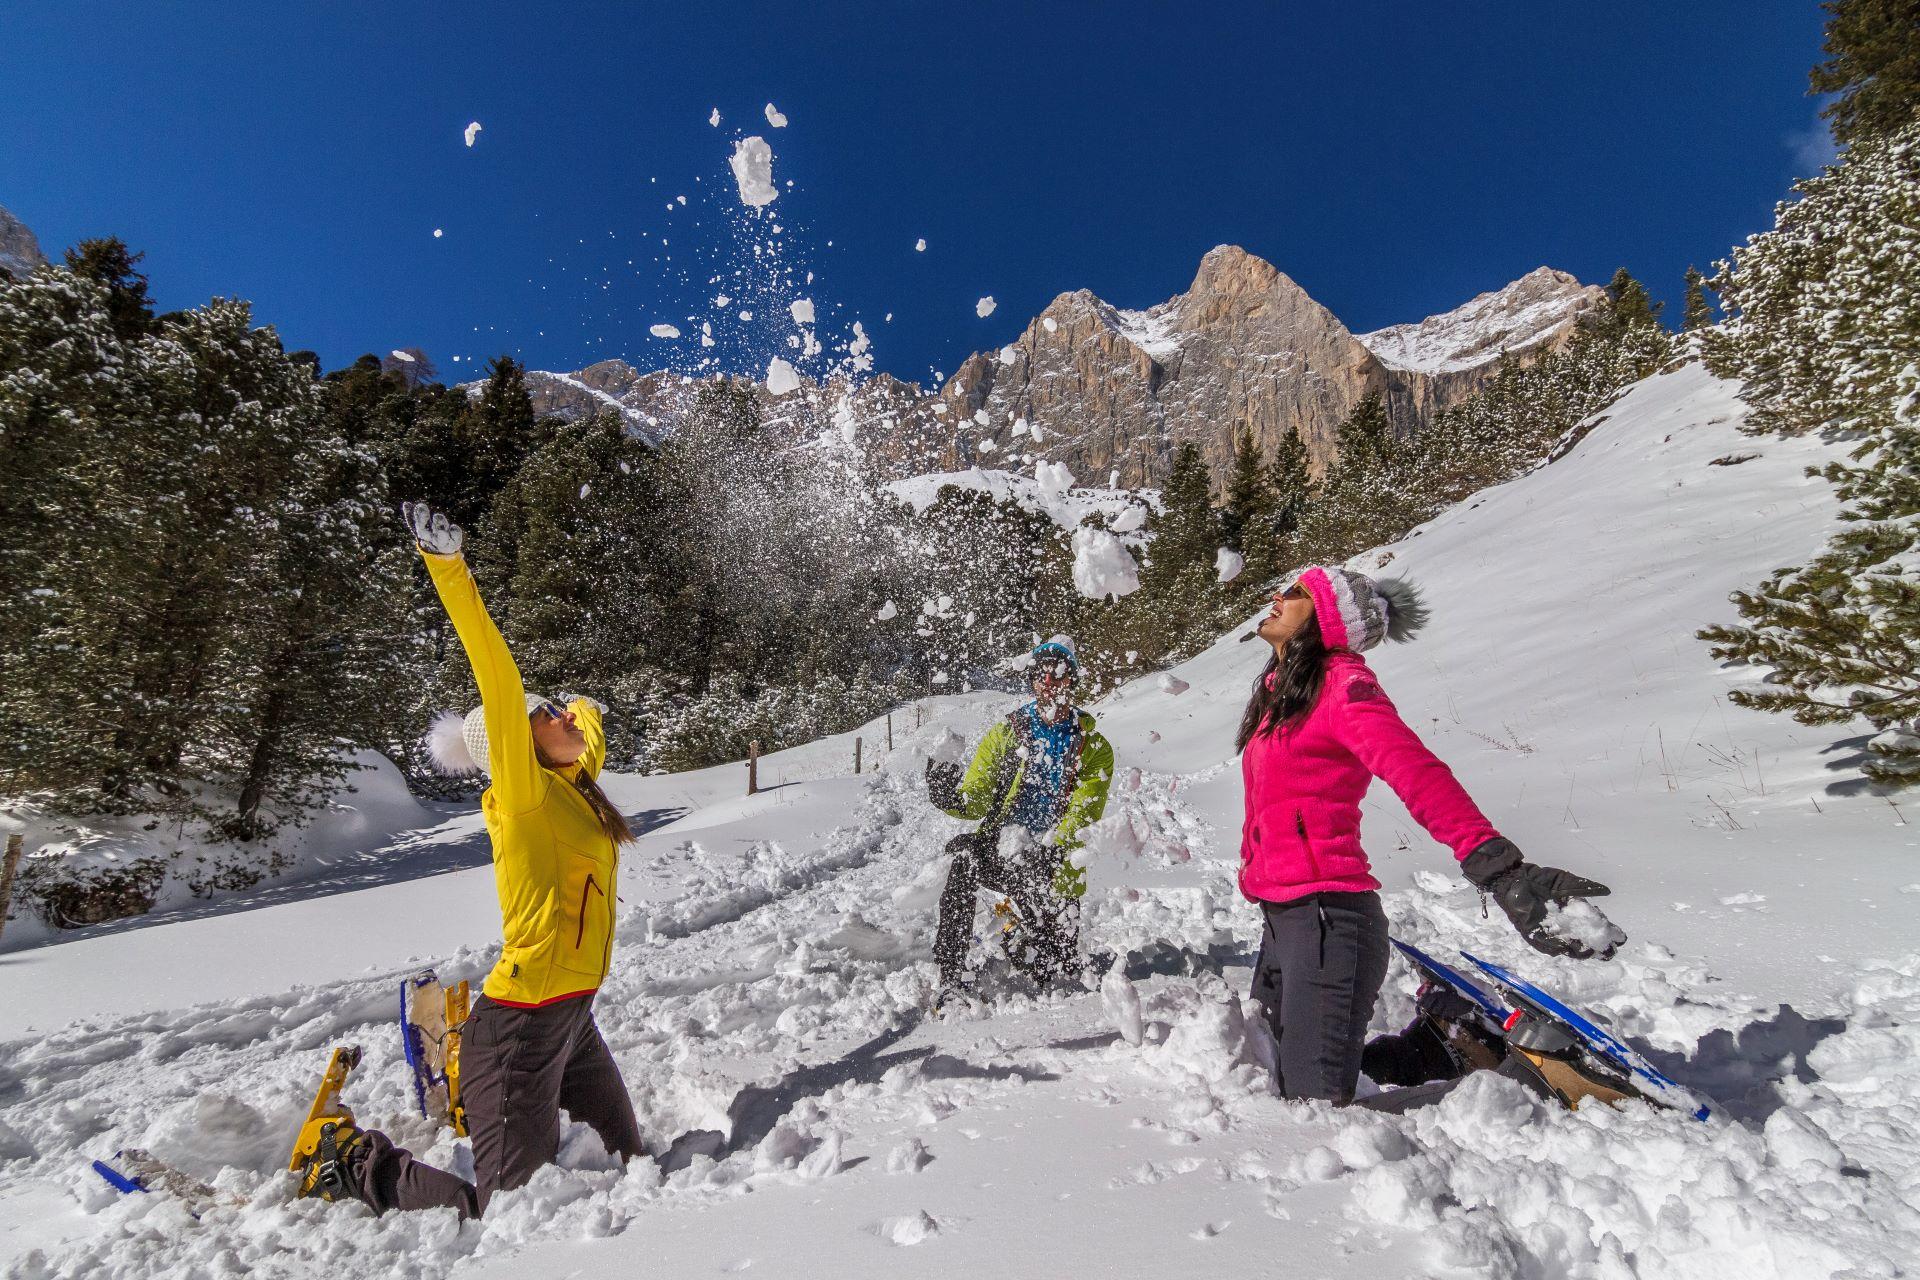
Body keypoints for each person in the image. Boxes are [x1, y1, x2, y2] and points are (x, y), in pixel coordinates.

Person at [291, 500, 645, 1217]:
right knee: (503, 1209)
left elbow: (589, 723)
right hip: (518, 1027)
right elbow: (498, 680)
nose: (565, 721)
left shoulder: (576, 787)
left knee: (631, 1163)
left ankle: (478, 1099)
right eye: (547, 717)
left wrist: (579, 708)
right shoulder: (523, 796)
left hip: (573, 1020)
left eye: (561, 715)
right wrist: (449, 570)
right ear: (516, 742)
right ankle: (356, 1163)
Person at [1238, 566, 1613, 1105]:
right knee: (1265, 1076)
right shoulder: (1282, 696)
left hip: (1328, 918)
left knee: (1309, 1108)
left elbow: (1413, 769)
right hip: (1284, 918)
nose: (1277, 596)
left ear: (1328, 619)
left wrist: (1497, 865)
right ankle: (1440, 1048)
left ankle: (1483, 1078)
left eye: (1295, 593)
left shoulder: (1344, 686)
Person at [926, 636, 1114, 1007]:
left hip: (1054, 865)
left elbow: (1083, 813)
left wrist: (1051, 847)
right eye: (1042, 674)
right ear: (1032, 680)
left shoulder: (1093, 746)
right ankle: (950, 979)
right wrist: (949, 796)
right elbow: (977, 795)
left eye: (1059, 674)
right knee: (964, 865)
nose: (1050, 681)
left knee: (1050, 968)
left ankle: (1016, 931)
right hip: (1004, 850)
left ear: (1071, 681)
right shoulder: (1008, 732)